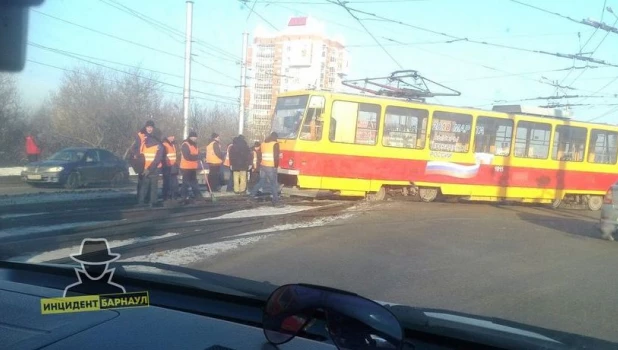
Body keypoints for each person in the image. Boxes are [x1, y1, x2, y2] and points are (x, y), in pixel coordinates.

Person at [249, 132, 283, 207]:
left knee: (261, 181)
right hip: (271, 166)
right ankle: (276, 202)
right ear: (275, 137)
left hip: (263, 165)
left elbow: (260, 154)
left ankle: (251, 196)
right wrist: (276, 166)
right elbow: (276, 157)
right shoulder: (275, 144)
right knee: (273, 184)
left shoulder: (263, 143)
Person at [137, 131, 163, 208]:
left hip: (144, 168)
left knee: (144, 186)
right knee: (153, 187)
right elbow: (157, 159)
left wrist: (141, 168)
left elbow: (140, 155)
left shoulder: (144, 144)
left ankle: (141, 202)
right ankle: (153, 202)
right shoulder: (159, 145)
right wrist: (150, 168)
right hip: (154, 168)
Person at [131, 120, 155, 198]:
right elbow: (135, 147)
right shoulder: (141, 135)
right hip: (141, 161)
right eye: (148, 127)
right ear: (145, 127)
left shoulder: (154, 136)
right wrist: (137, 156)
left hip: (150, 162)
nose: (149, 129)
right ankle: (140, 198)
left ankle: (145, 198)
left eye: (151, 127)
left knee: (148, 182)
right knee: (142, 181)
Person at [180, 131, 203, 203]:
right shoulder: (185, 144)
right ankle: (184, 196)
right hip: (186, 167)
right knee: (186, 183)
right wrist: (197, 157)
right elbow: (187, 156)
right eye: (193, 137)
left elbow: (198, 153)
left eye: (195, 137)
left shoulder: (195, 145)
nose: (194, 138)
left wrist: (201, 157)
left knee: (194, 182)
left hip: (193, 167)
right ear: (190, 137)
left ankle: (197, 195)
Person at [162, 133, 179, 201]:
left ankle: (174, 196)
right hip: (167, 166)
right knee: (167, 182)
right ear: (167, 137)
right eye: (171, 136)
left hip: (173, 166)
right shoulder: (165, 144)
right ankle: (167, 196)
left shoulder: (173, 145)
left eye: (173, 136)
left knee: (174, 183)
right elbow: (163, 156)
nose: (173, 137)